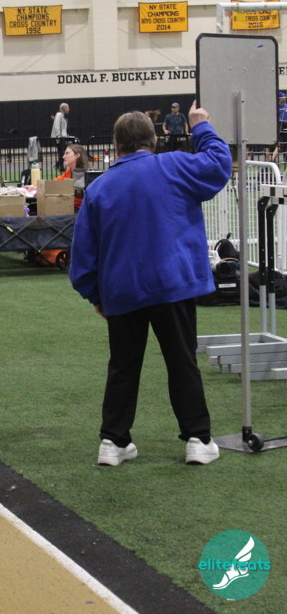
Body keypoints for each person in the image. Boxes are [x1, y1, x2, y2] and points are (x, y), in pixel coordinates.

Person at [69, 102, 231, 467]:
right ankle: (197, 438)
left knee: (123, 366)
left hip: (122, 289)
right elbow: (220, 164)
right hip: (173, 283)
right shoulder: (174, 166)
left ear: (116, 145)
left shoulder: (100, 187)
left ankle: (113, 441)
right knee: (181, 360)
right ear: (153, 140)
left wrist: (95, 295)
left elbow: (83, 253)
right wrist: (200, 126)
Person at [56, 142, 90, 210]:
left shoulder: (88, 175)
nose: (63, 157)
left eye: (67, 153)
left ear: (77, 155)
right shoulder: (69, 171)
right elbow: (54, 183)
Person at [51, 102, 70, 171]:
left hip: (62, 137)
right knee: (62, 152)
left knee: (63, 152)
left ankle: (58, 165)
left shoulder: (62, 116)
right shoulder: (59, 115)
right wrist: (58, 137)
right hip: (59, 137)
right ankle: (60, 166)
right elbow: (57, 126)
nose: (69, 109)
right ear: (64, 108)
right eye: (68, 108)